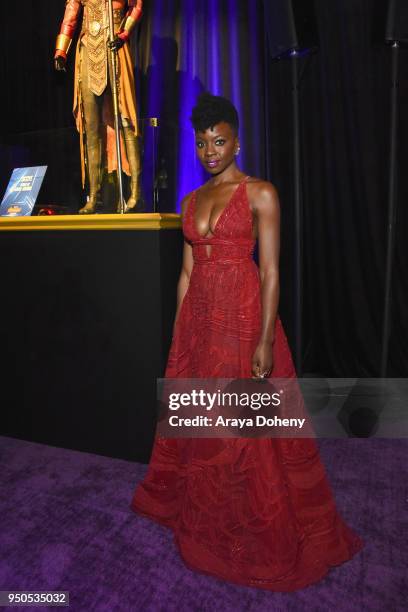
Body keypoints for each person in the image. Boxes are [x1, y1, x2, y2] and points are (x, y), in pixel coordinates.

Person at [131, 93, 363, 591]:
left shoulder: (261, 193)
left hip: (243, 323)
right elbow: (186, 272)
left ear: (237, 140)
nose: (210, 150)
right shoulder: (189, 203)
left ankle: (253, 527)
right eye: (201, 143)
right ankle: (207, 518)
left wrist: (263, 340)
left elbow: (273, 271)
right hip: (200, 325)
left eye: (218, 140)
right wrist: (179, 334)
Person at [54, 0, 143, 214]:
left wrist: (125, 32)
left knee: (126, 121)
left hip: (115, 48)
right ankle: (94, 196)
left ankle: (135, 192)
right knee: (91, 128)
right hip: (88, 50)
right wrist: (61, 49)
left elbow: (136, 6)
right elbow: (72, 13)